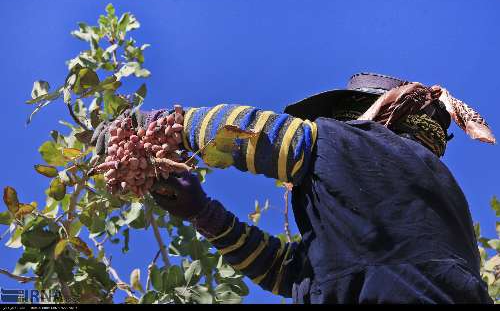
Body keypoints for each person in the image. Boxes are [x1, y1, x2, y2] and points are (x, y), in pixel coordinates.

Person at [93, 72, 494, 303]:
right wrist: (204, 214)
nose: (329, 129)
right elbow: (289, 272)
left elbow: (266, 137)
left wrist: (162, 125)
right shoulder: (413, 203)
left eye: (335, 121)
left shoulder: (377, 149)